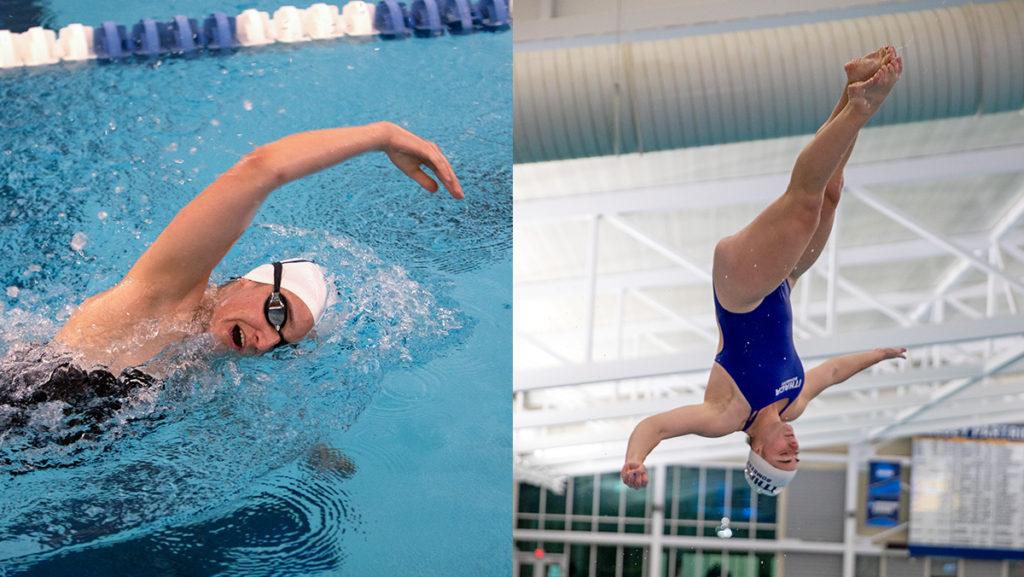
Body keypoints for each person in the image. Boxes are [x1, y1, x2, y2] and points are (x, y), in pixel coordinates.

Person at [0, 122, 462, 441]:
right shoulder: (165, 296)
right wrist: (380, 135)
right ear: (246, 282)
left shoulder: (204, 358)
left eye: (282, 342)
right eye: (277, 312)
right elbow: (261, 170)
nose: (266, 341)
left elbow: (251, 419)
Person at [621, 47, 906, 496]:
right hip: (783, 283)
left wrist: (635, 459)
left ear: (757, 453)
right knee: (829, 192)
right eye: (795, 456)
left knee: (804, 205)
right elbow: (830, 373)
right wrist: (878, 355)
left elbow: (654, 425)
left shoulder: (724, 416)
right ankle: (852, 87)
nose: (792, 446)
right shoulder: (794, 405)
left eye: (782, 456)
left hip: (742, 290)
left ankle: (862, 106)